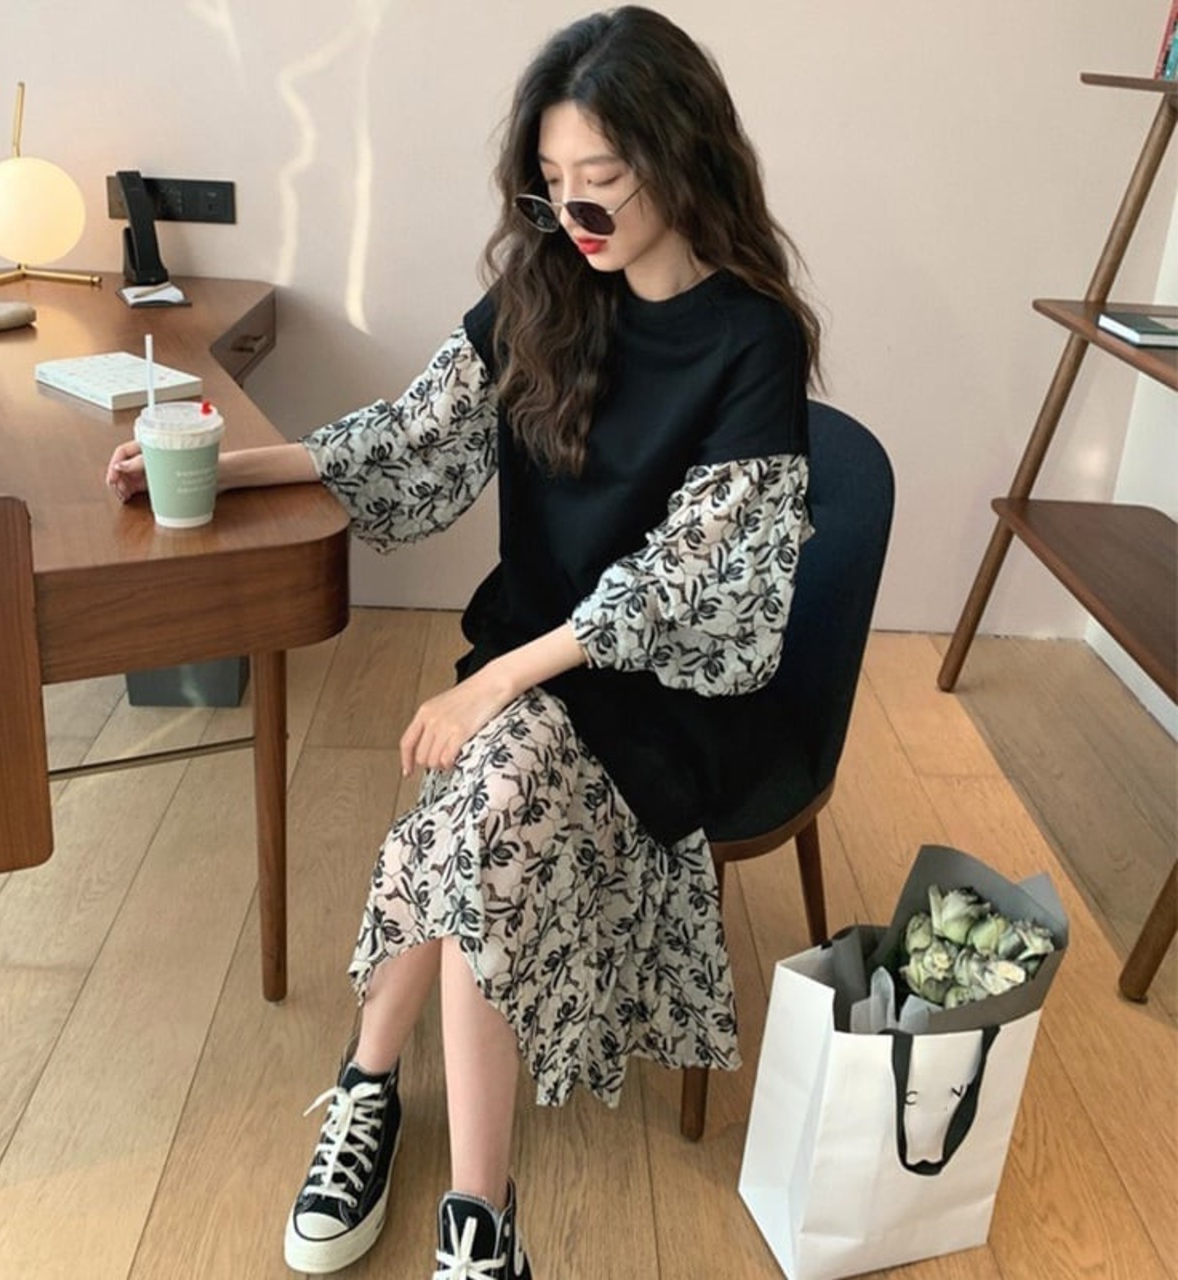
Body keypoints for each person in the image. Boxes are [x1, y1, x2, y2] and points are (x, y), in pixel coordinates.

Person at [108, 7, 821, 1277]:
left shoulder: (751, 336)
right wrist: (223, 463)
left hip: (662, 687)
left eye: (601, 178)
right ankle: (473, 1214)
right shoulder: (546, 288)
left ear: (683, 157)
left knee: (481, 789)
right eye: (549, 183)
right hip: (533, 669)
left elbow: (696, 577)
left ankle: (375, 1095)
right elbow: (412, 434)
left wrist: (500, 675)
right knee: (488, 806)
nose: (572, 212)